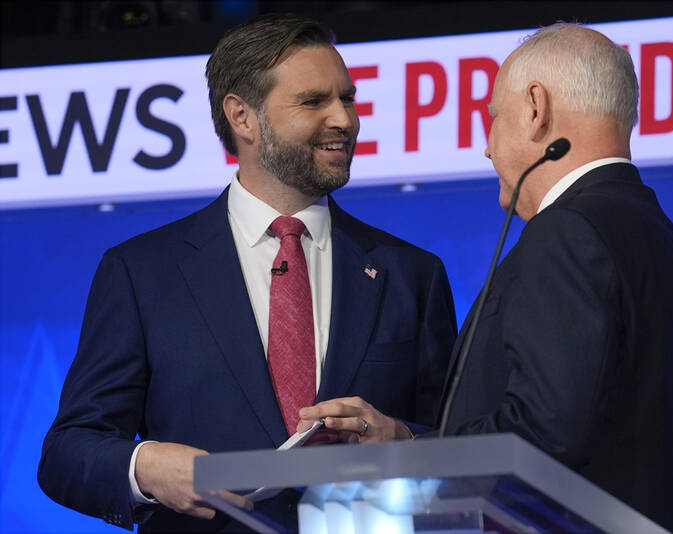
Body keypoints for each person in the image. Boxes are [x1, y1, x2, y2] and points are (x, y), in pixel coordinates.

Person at [37, 14, 456, 533]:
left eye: (346, 99)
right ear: (242, 116)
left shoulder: (411, 274)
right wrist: (146, 467)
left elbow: (459, 445)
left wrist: (402, 440)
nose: (344, 119)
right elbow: (68, 450)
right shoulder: (143, 272)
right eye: (314, 101)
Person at [300, 23, 673, 532]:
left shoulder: (567, 232)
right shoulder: (667, 243)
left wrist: (406, 464)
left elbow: (540, 437)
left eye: (493, 116)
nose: (488, 149)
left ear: (536, 108)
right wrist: (404, 441)